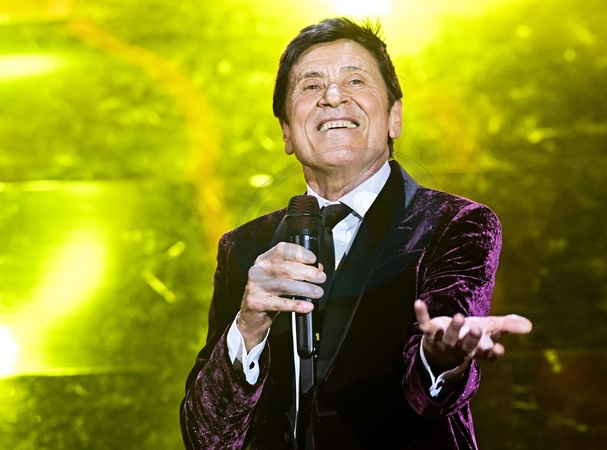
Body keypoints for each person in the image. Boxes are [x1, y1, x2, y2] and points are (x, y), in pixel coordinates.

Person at [180, 17, 532, 450]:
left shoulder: (453, 224)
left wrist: (439, 357)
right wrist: (249, 324)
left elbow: (427, 396)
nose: (332, 96)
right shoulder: (245, 248)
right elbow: (208, 438)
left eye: (355, 80)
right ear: (286, 132)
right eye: (311, 85)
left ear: (394, 117)